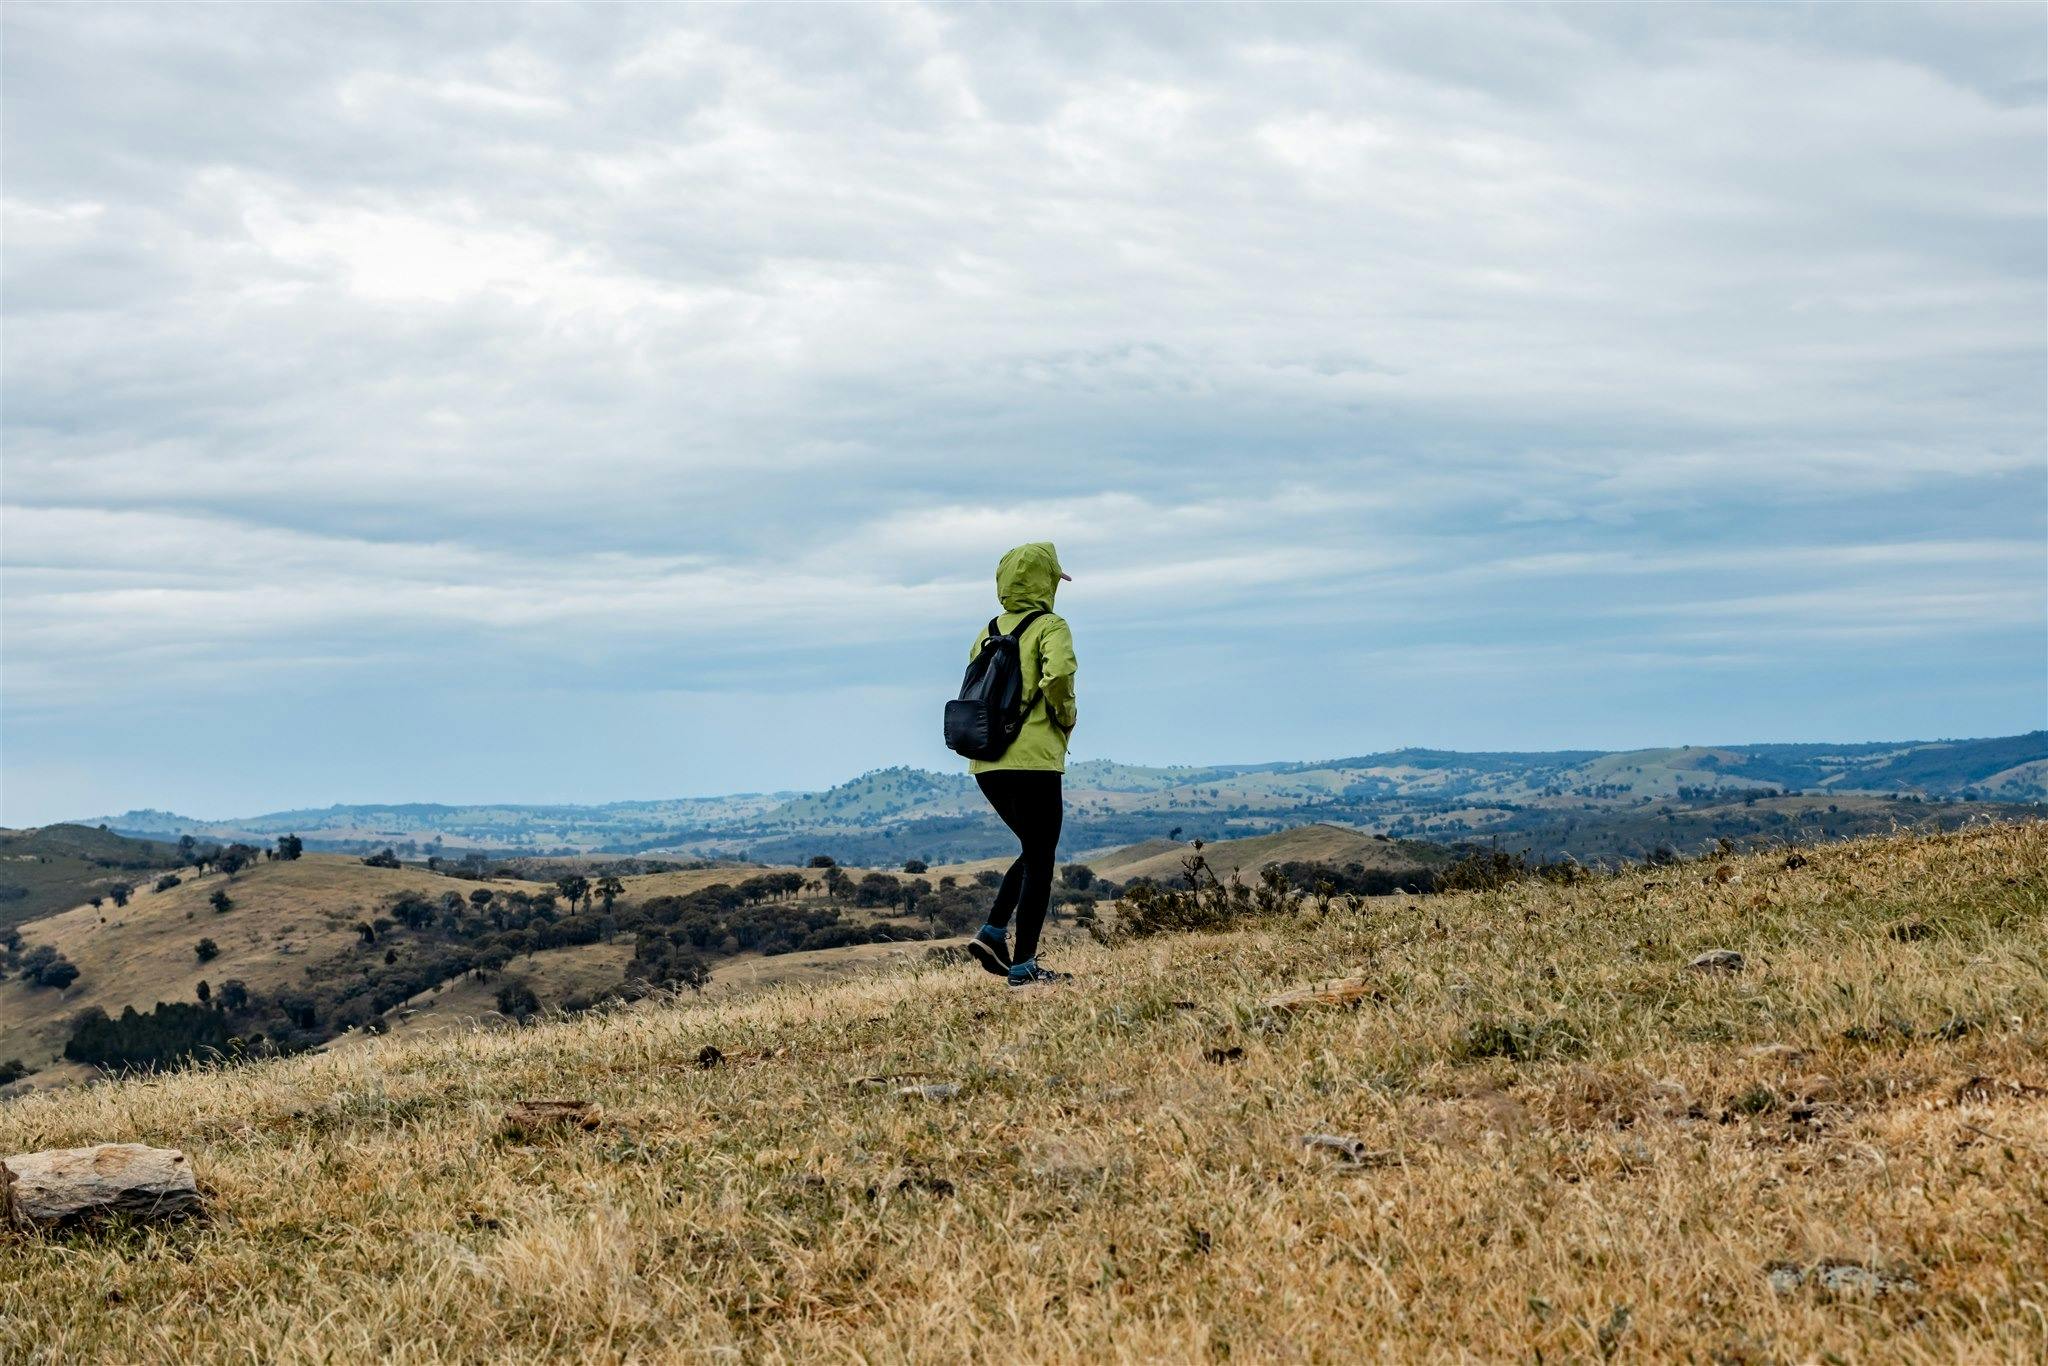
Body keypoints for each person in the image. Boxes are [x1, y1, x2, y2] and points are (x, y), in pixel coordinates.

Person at [964, 541, 1077, 987]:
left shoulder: (988, 629)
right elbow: (1061, 673)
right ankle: (1024, 966)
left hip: (987, 761)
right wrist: (1065, 717)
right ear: (1048, 580)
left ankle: (993, 931)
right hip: (1033, 759)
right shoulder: (1051, 625)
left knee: (1034, 849)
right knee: (1041, 855)